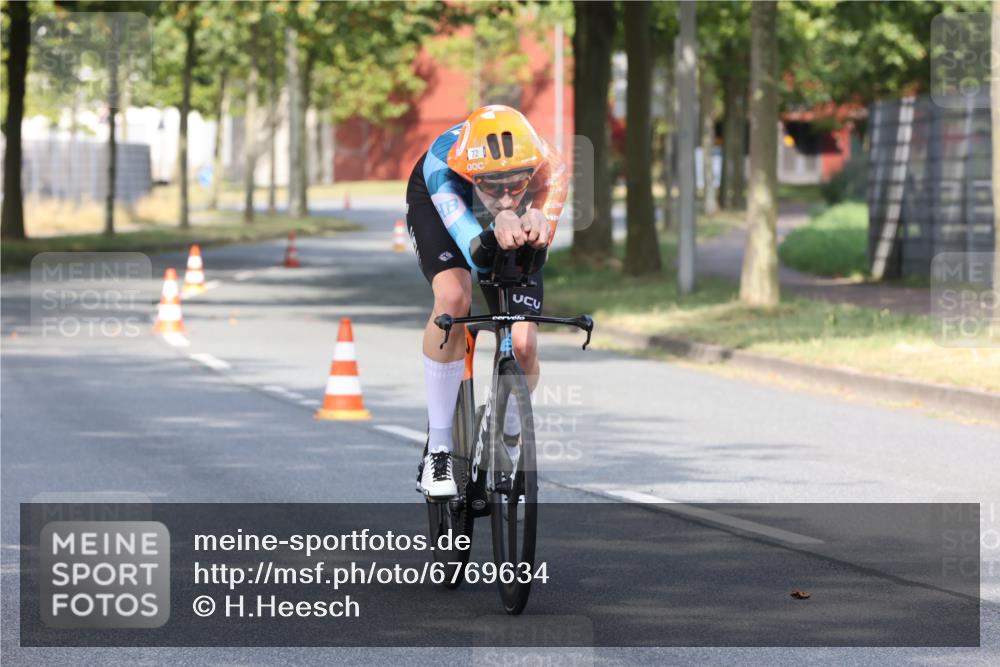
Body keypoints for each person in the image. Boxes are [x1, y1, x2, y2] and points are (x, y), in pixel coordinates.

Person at [406, 104, 568, 497]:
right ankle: (440, 449)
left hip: (502, 219)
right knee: (454, 296)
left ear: (531, 172)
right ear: (471, 175)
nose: (506, 196)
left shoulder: (552, 168)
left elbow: (536, 255)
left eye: (516, 184)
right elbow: (475, 254)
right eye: (492, 186)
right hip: (443, 210)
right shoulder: (444, 170)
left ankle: (507, 437)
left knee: (525, 342)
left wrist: (539, 224)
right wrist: (496, 227)